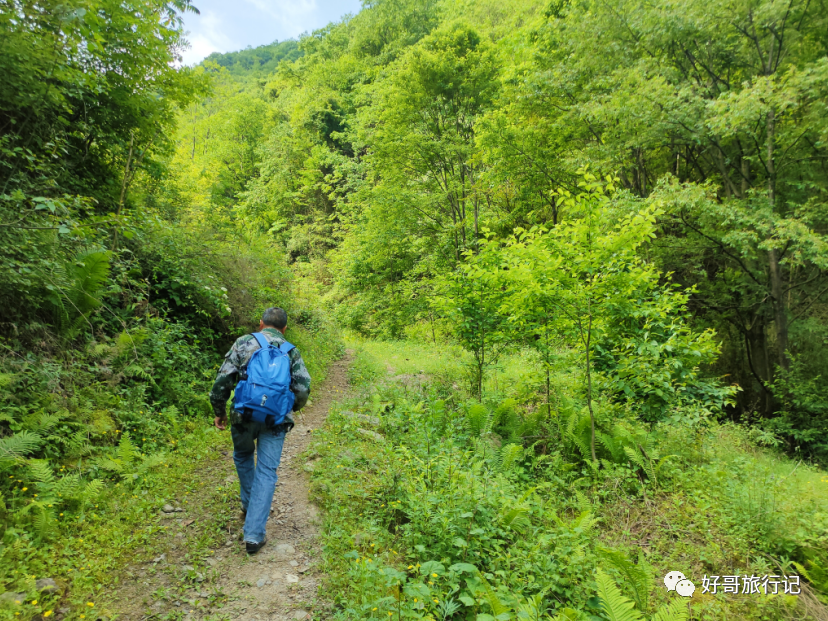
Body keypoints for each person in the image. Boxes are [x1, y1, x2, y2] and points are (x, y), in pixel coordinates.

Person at [209, 307, 311, 553]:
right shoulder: (291, 350)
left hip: (243, 414)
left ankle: (248, 504)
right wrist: (288, 408)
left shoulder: (244, 343)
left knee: (243, 455)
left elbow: (223, 380)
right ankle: (254, 536)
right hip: (275, 419)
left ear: (261, 324)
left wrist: (219, 410)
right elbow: (303, 388)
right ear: (284, 329)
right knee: (267, 471)